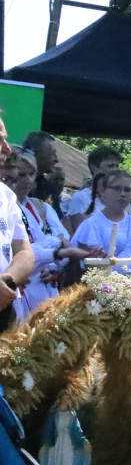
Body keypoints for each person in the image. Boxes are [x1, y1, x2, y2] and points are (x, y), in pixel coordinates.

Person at [6, 148, 98, 320]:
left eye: (31, 174)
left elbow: (66, 242)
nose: (26, 181)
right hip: (20, 289)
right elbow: (22, 252)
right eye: (20, 175)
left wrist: (53, 267)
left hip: (45, 285)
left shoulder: (40, 206)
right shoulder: (7, 208)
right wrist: (55, 248)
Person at [70, 170, 131, 282]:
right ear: (103, 192)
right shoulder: (91, 225)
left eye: (127, 190)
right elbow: (92, 266)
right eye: (116, 188)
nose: (122, 193)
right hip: (107, 287)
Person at [0, 119, 35, 330]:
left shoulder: (6, 196)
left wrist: (8, 280)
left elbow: (24, 251)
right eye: (0, 140)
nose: (7, 148)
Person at [65, 145, 131, 231]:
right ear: (94, 167)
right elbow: (83, 235)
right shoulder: (82, 198)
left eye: (117, 166)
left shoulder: (122, 197)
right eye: (110, 166)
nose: (116, 170)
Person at [23, 131, 63, 218]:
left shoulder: (48, 187)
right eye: (53, 154)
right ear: (35, 153)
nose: (56, 160)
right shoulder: (11, 186)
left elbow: (59, 218)